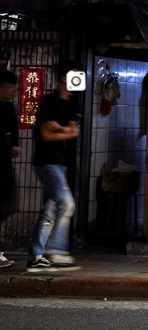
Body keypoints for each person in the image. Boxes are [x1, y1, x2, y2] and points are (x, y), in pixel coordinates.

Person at [26, 61, 84, 273]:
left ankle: (36, 257)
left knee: (50, 210)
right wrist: (64, 132)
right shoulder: (50, 101)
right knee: (67, 203)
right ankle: (56, 251)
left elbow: (73, 132)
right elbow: (45, 135)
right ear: (63, 79)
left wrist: (60, 129)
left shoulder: (73, 102)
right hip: (47, 162)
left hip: (61, 164)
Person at [0, 69, 20, 268]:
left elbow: (13, 131)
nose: (14, 90)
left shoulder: (9, 108)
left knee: (9, 203)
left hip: (5, 164)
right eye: (10, 87)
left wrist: (14, 144)